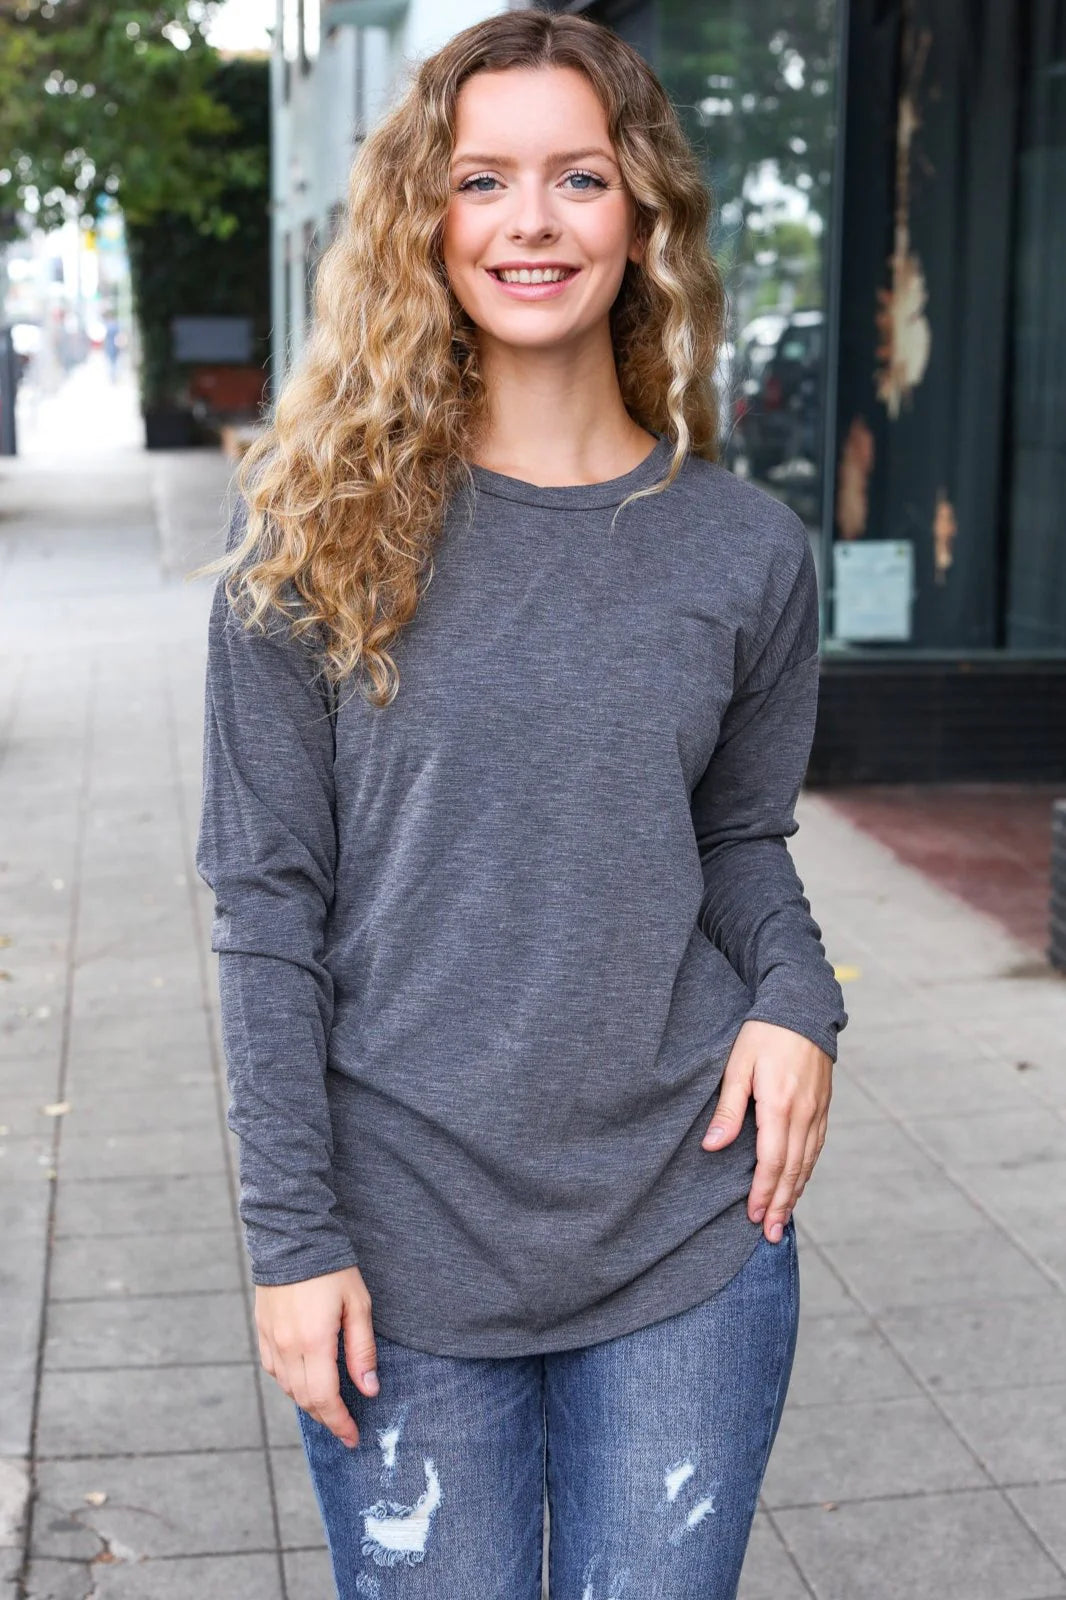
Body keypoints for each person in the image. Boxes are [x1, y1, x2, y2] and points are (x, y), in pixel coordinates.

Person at [194, 11, 848, 1598]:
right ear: (427, 216)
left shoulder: (743, 553)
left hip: (685, 1235)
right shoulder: (307, 553)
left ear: (643, 221)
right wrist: (292, 1244)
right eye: (483, 179)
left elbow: (734, 840)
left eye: (578, 177)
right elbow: (266, 919)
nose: (531, 222)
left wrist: (801, 998)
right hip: (399, 1259)